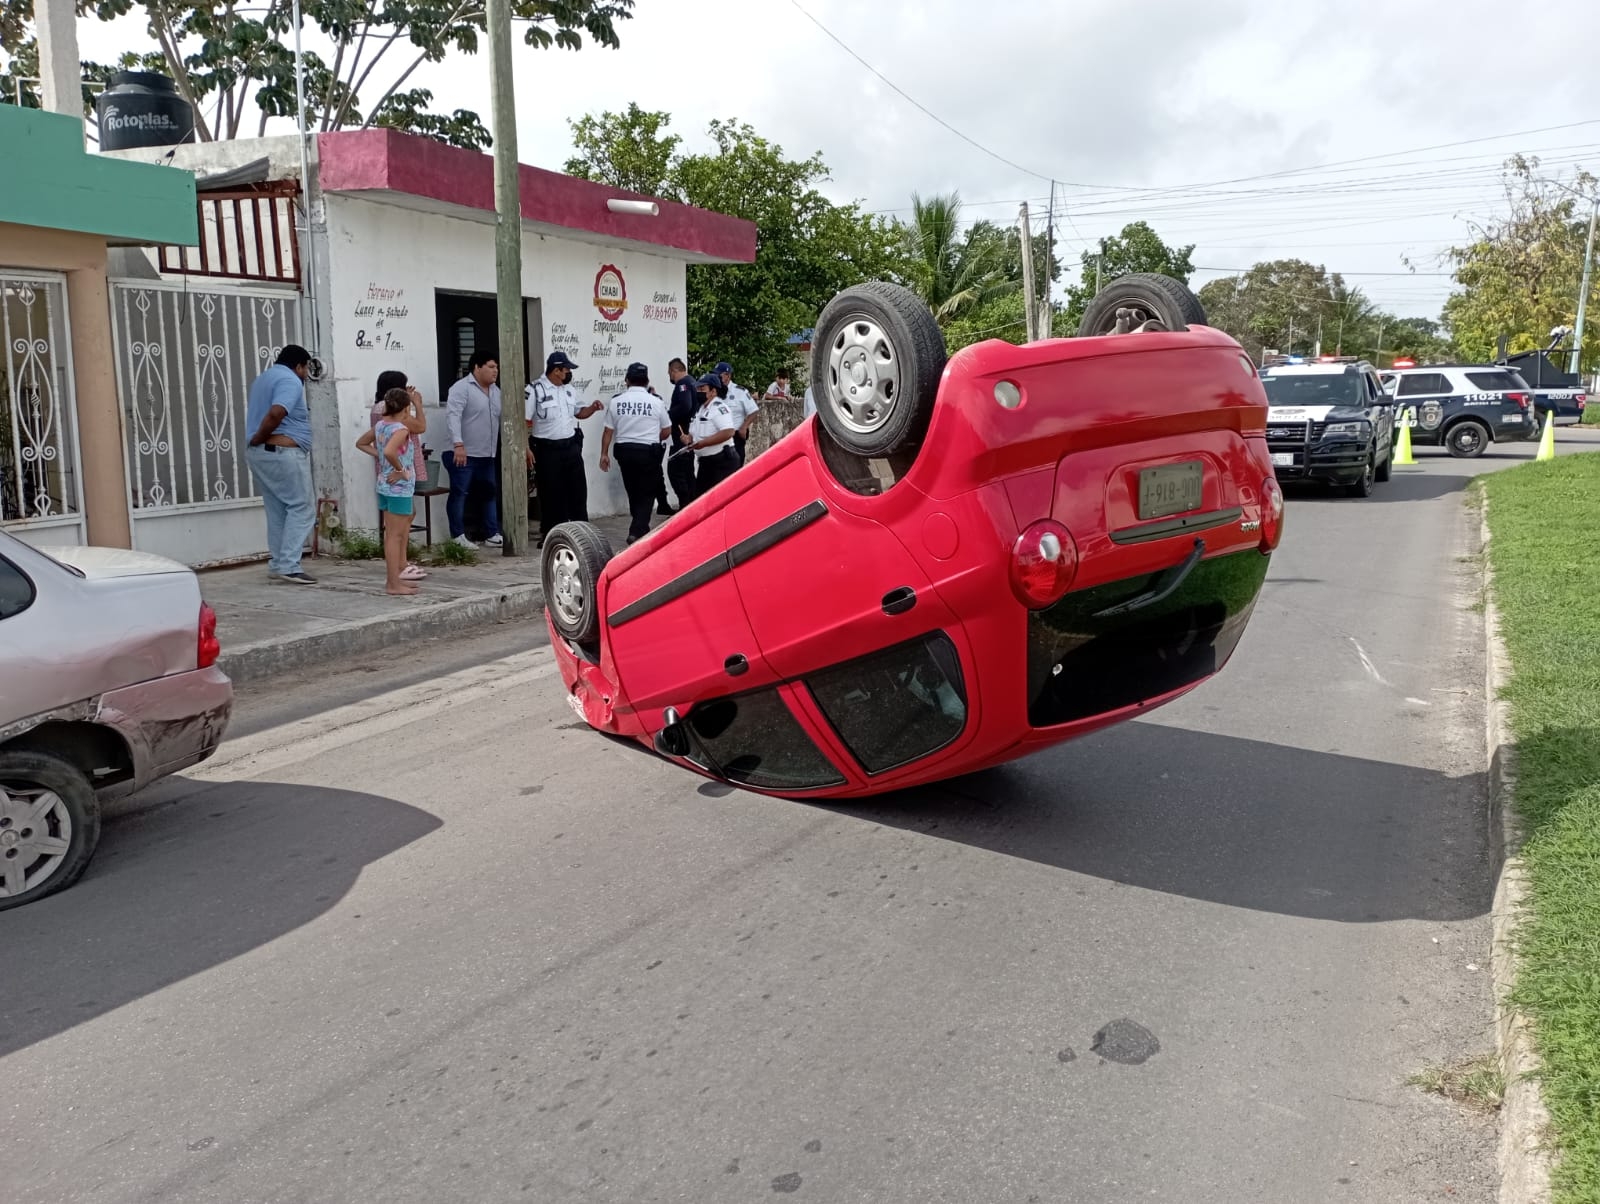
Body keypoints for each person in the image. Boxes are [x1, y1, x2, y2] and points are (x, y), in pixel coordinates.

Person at [244, 343, 317, 585]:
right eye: (305, 368)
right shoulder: (290, 380)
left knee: (277, 509)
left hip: (263, 454)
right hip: (282, 452)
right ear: (298, 366)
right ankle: (288, 565)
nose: (306, 374)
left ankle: (278, 564)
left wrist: (256, 441)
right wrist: (260, 436)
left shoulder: (264, 378)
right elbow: (277, 413)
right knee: (303, 507)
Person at [527, 351, 601, 543]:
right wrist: (525, 448)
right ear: (556, 370)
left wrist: (592, 408)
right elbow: (525, 421)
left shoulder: (569, 390)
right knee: (552, 494)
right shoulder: (535, 389)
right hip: (547, 449)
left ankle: (582, 533)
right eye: (566, 369)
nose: (569, 373)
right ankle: (553, 535)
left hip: (570, 446)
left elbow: (579, 413)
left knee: (578, 491)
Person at [355, 388, 421, 595]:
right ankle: (393, 583)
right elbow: (390, 451)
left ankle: (394, 579)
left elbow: (361, 443)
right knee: (396, 536)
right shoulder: (400, 429)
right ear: (405, 409)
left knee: (391, 535)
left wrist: (382, 458)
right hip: (399, 488)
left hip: (384, 484)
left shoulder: (381, 425)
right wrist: (401, 470)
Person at [599, 362, 673, 545]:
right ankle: (637, 529)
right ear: (647, 381)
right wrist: (653, 437)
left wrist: (604, 454)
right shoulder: (656, 402)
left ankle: (640, 527)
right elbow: (667, 430)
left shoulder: (616, 401)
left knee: (633, 491)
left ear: (627, 381)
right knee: (647, 493)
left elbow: (608, 431)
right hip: (648, 452)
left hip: (625, 452)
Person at [370, 370, 428, 583]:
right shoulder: (394, 416)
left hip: (387, 475)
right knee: (397, 529)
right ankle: (399, 568)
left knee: (399, 522)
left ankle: (399, 566)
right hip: (397, 477)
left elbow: (369, 444)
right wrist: (416, 404)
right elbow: (420, 426)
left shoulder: (381, 412)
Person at [444, 350, 503, 549]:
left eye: (496, 367)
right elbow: (453, 416)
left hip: (487, 453)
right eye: (491, 367)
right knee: (460, 493)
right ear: (477, 367)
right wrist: (458, 445)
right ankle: (457, 535)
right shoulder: (462, 388)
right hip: (464, 453)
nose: (496, 371)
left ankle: (491, 532)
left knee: (489, 492)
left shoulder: (496, 391)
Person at [684, 372, 740, 495]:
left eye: (702, 389)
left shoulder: (719, 408)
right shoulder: (701, 410)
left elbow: (728, 432)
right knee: (702, 500)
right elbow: (696, 433)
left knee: (720, 500)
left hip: (722, 462)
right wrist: (688, 439)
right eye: (697, 388)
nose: (698, 392)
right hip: (706, 463)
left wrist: (703, 443)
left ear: (713, 391)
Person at [665, 358, 700, 508]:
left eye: (670, 373)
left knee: (675, 470)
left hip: (682, 433)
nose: (670, 377)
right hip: (688, 432)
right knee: (687, 471)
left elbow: (685, 406)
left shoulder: (683, 384)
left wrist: (668, 414)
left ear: (674, 371)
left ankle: (685, 504)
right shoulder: (693, 382)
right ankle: (691, 503)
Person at [716, 361, 760, 465]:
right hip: (719, 436)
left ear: (727, 375)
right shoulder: (714, 392)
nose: (716, 377)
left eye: (719, 375)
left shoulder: (739, 391)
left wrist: (744, 427)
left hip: (735, 435)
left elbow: (754, 410)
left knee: (736, 468)